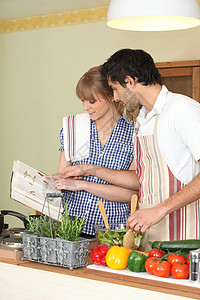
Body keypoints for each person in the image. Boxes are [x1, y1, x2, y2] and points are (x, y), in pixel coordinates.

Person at [60, 49, 200, 242]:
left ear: (130, 82)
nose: (115, 97)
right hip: (151, 232)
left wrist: (159, 210)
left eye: (115, 89)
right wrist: (90, 170)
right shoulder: (143, 120)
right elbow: (140, 180)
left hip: (183, 233)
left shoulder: (182, 110)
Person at [49, 66, 137, 237]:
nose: (85, 107)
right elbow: (63, 178)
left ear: (111, 96)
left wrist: (84, 184)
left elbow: (132, 193)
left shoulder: (133, 134)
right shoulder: (73, 127)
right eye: (82, 101)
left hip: (111, 230)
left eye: (91, 101)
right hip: (71, 226)